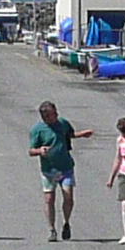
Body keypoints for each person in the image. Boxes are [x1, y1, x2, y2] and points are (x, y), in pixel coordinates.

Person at [28, 100, 83, 240]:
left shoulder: (62, 123)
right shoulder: (37, 130)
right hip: (48, 170)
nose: (57, 115)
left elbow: (70, 134)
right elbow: (31, 151)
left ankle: (66, 223)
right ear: (45, 117)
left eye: (56, 112)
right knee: (49, 199)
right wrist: (40, 150)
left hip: (66, 167)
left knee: (68, 196)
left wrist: (82, 134)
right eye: (53, 114)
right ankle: (52, 229)